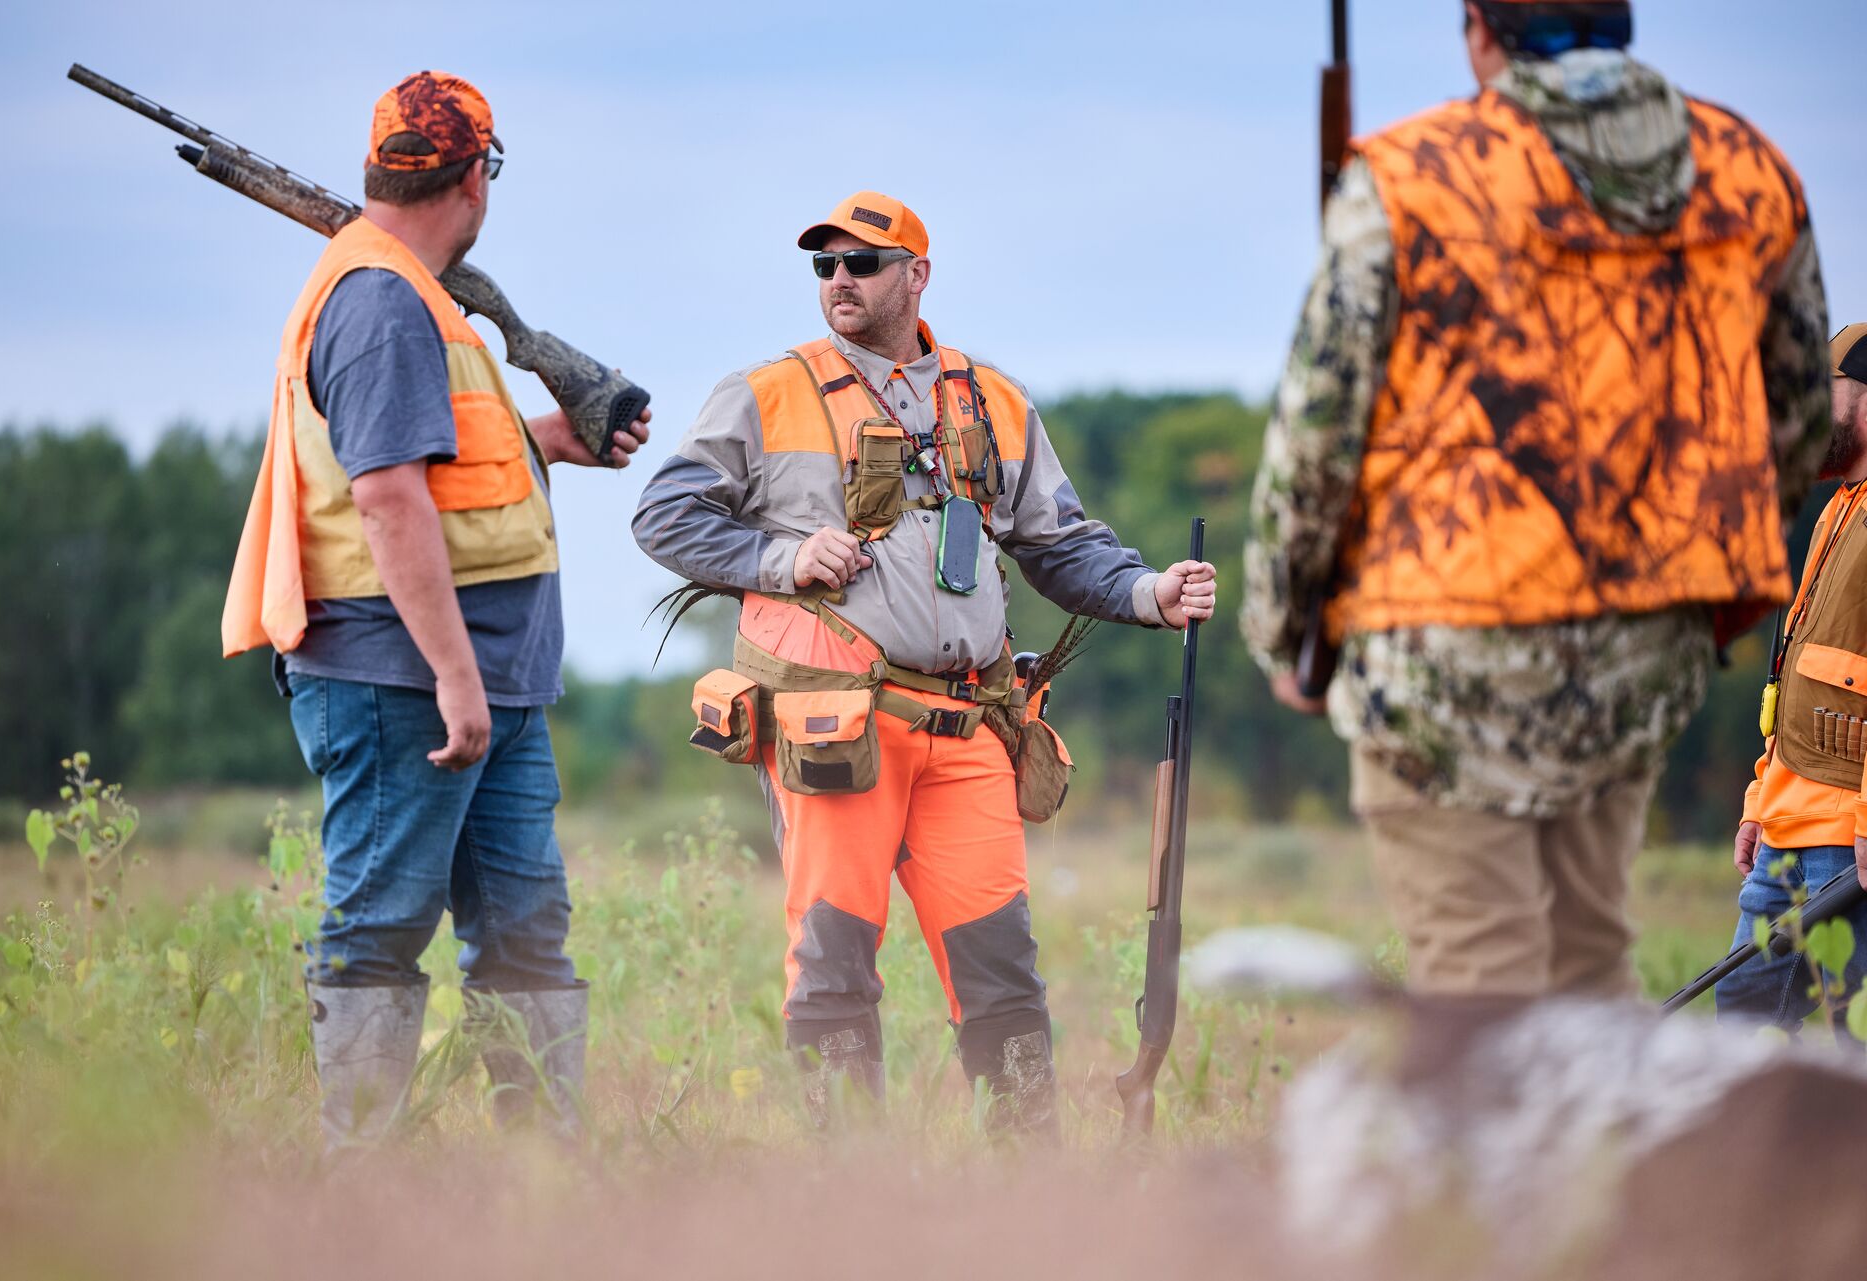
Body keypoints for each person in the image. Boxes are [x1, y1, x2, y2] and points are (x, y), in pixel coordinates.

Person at [1240, 0, 1831, 999]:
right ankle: (1593, 1104)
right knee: (1589, 958)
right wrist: (1698, 598)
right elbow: (1799, 418)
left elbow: (1320, 432)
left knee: (1481, 983)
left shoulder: (1413, 172)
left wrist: (1283, 628)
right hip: (1639, 662)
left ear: (1481, 28)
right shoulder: (1749, 170)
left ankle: (1508, 1104)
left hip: (1440, 656)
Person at [633, 191, 1215, 1132]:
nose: (840, 279)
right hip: (837, 730)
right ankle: (848, 1183)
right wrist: (784, 559)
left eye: (861, 262)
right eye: (825, 265)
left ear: (917, 274)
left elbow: (1059, 544)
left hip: (972, 725)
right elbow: (665, 516)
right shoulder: (767, 392)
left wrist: (1152, 592)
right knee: (834, 967)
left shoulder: (993, 401)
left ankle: (1026, 1179)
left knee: (1003, 972)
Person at [221, 71, 650, 1144]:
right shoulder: (379, 302)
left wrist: (550, 440)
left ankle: (543, 1178)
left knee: (525, 933)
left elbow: (435, 462)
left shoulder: (422, 299)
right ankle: (363, 1192)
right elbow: (387, 497)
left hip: (489, 677)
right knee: (379, 929)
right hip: (403, 677)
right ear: (476, 178)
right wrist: (456, 675)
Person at [1718, 325, 1867, 1038]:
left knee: (1844, 1031)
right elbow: (1800, 678)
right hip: (1785, 827)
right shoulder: (1837, 512)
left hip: (1846, 837)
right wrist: (1759, 799)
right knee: (1745, 1016)